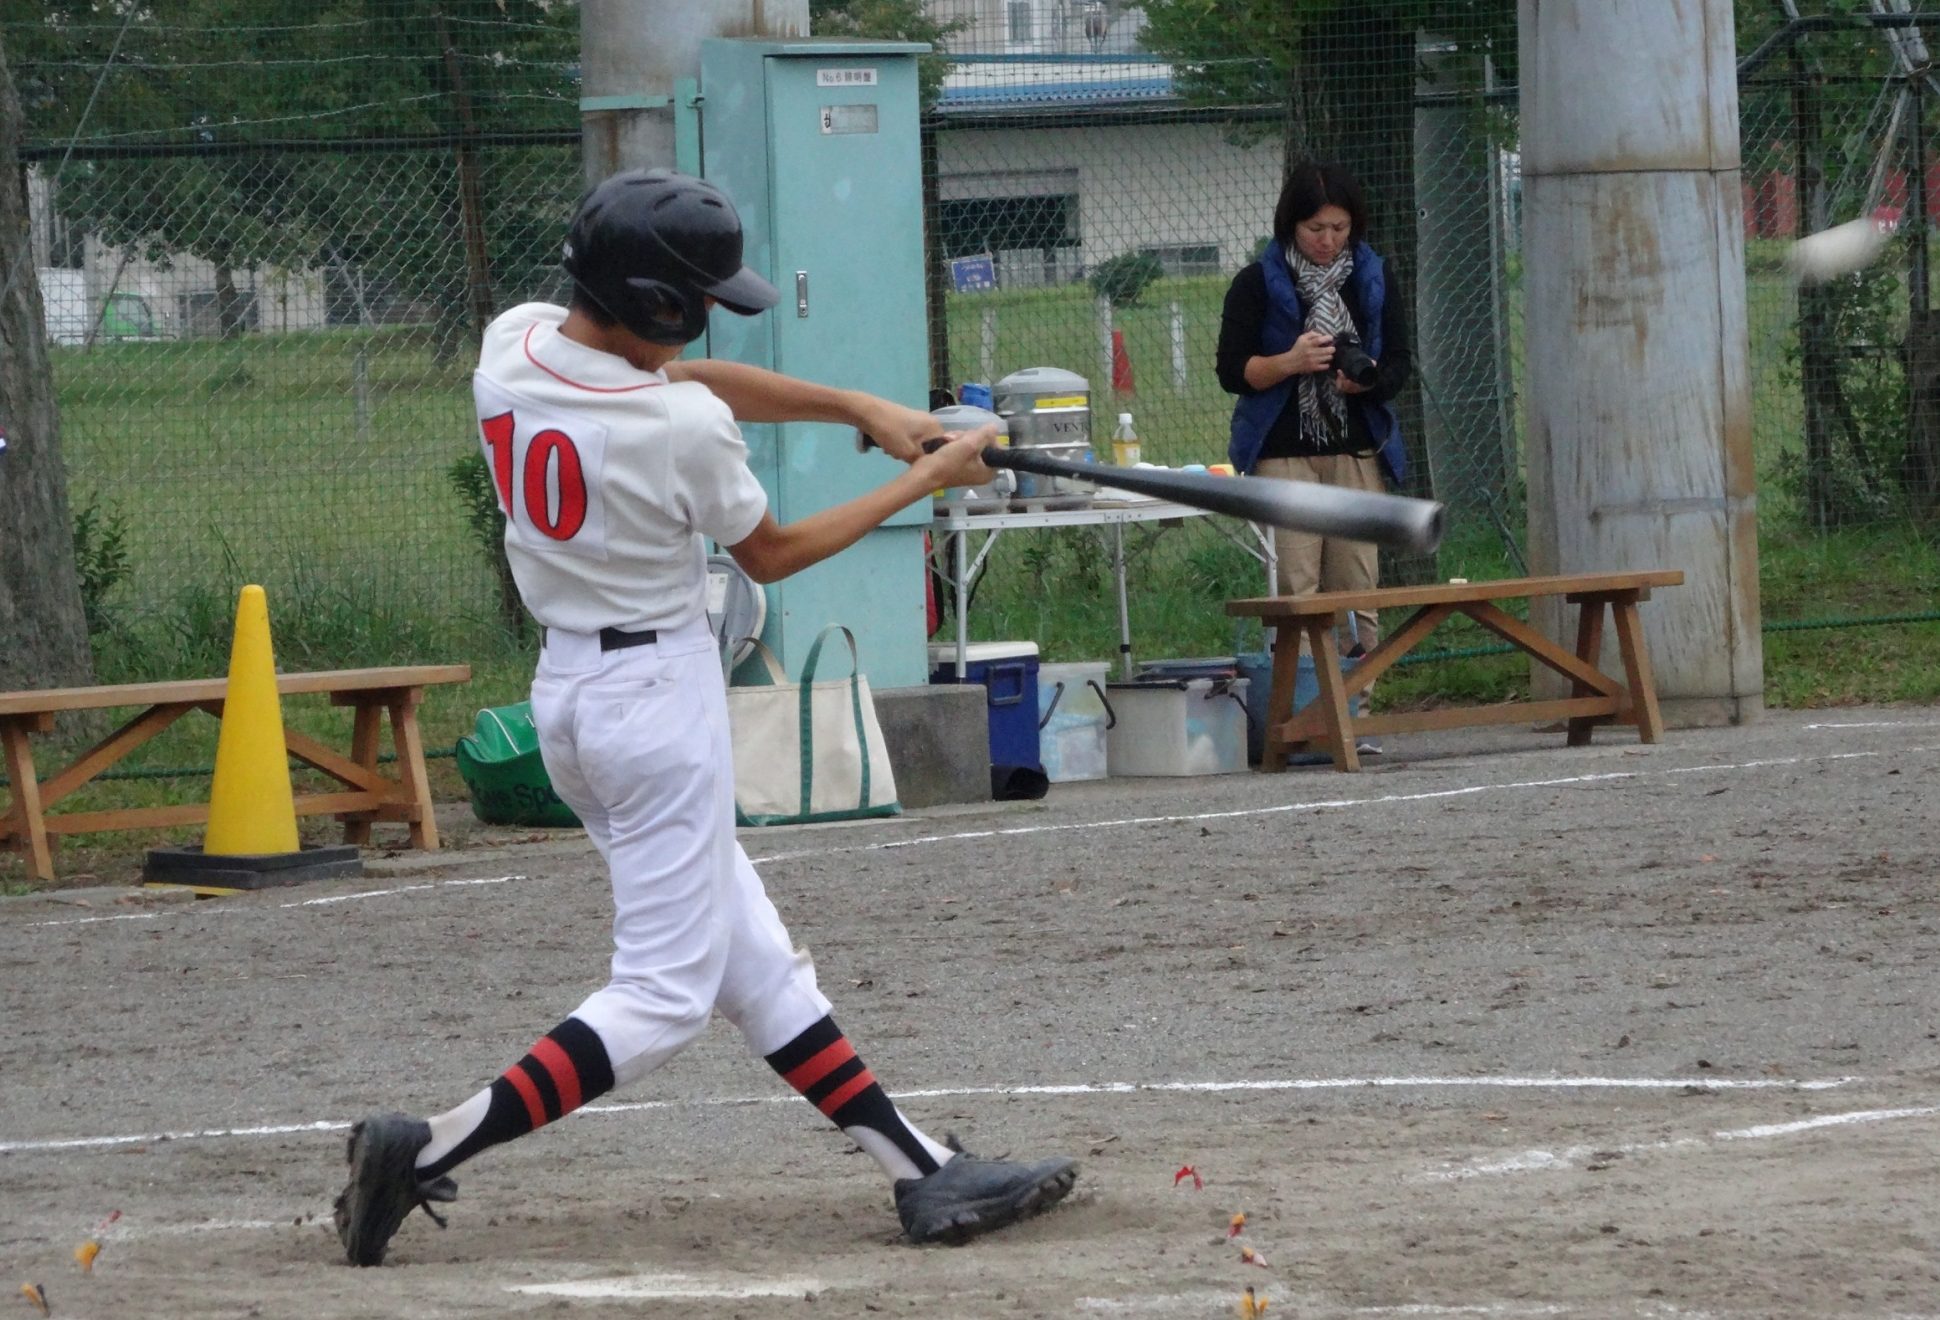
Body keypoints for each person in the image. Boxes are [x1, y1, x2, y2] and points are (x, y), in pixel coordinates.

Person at [333, 168, 1078, 1266]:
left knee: (754, 963)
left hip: (574, 697)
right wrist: (925, 483)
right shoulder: (676, 426)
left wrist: (856, 408)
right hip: (657, 708)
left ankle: (920, 1175)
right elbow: (768, 550)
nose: (702, 316)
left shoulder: (514, 343)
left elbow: (685, 379)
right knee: (666, 995)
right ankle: (428, 1147)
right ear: (655, 302)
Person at [1216, 159, 1412, 736]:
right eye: (1315, 229)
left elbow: (1399, 362)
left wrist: (1368, 378)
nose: (1328, 241)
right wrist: (1291, 363)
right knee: (1295, 587)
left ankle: (1354, 716)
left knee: (1358, 586)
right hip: (1283, 451)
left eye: (1340, 228)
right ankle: (1298, 717)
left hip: (1356, 449)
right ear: (1289, 226)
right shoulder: (1256, 283)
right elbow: (1233, 371)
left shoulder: (1371, 278)